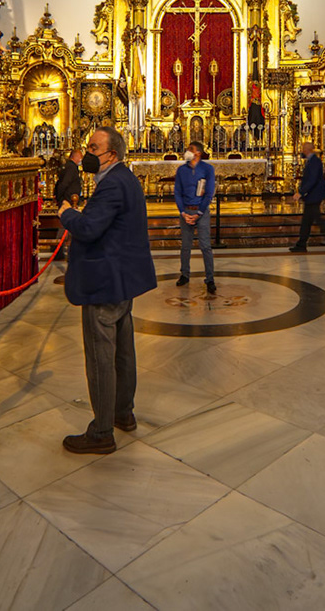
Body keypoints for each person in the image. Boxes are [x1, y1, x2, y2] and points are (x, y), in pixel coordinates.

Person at [57, 126, 155, 454]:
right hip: (121, 279)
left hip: (105, 281)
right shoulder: (125, 178)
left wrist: (67, 214)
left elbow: (88, 228)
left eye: (93, 148)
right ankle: (122, 413)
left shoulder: (112, 183)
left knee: (101, 356)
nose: (87, 154)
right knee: (123, 351)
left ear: (111, 154)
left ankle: (101, 431)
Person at [174, 142, 216, 294]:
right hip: (186, 211)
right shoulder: (181, 170)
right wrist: (182, 212)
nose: (187, 151)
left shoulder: (207, 169)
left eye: (190, 149)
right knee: (185, 246)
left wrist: (199, 212)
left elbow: (209, 192)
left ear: (198, 153)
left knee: (205, 246)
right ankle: (184, 274)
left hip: (201, 212)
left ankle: (210, 279)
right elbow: (177, 192)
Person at [289, 141, 325, 252]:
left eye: (303, 148)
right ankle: (301, 245)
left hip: (314, 196)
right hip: (311, 196)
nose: (302, 150)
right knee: (306, 221)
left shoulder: (315, 162)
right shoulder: (312, 161)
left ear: (307, 149)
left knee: (318, 221)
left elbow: (312, 180)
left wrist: (301, 192)